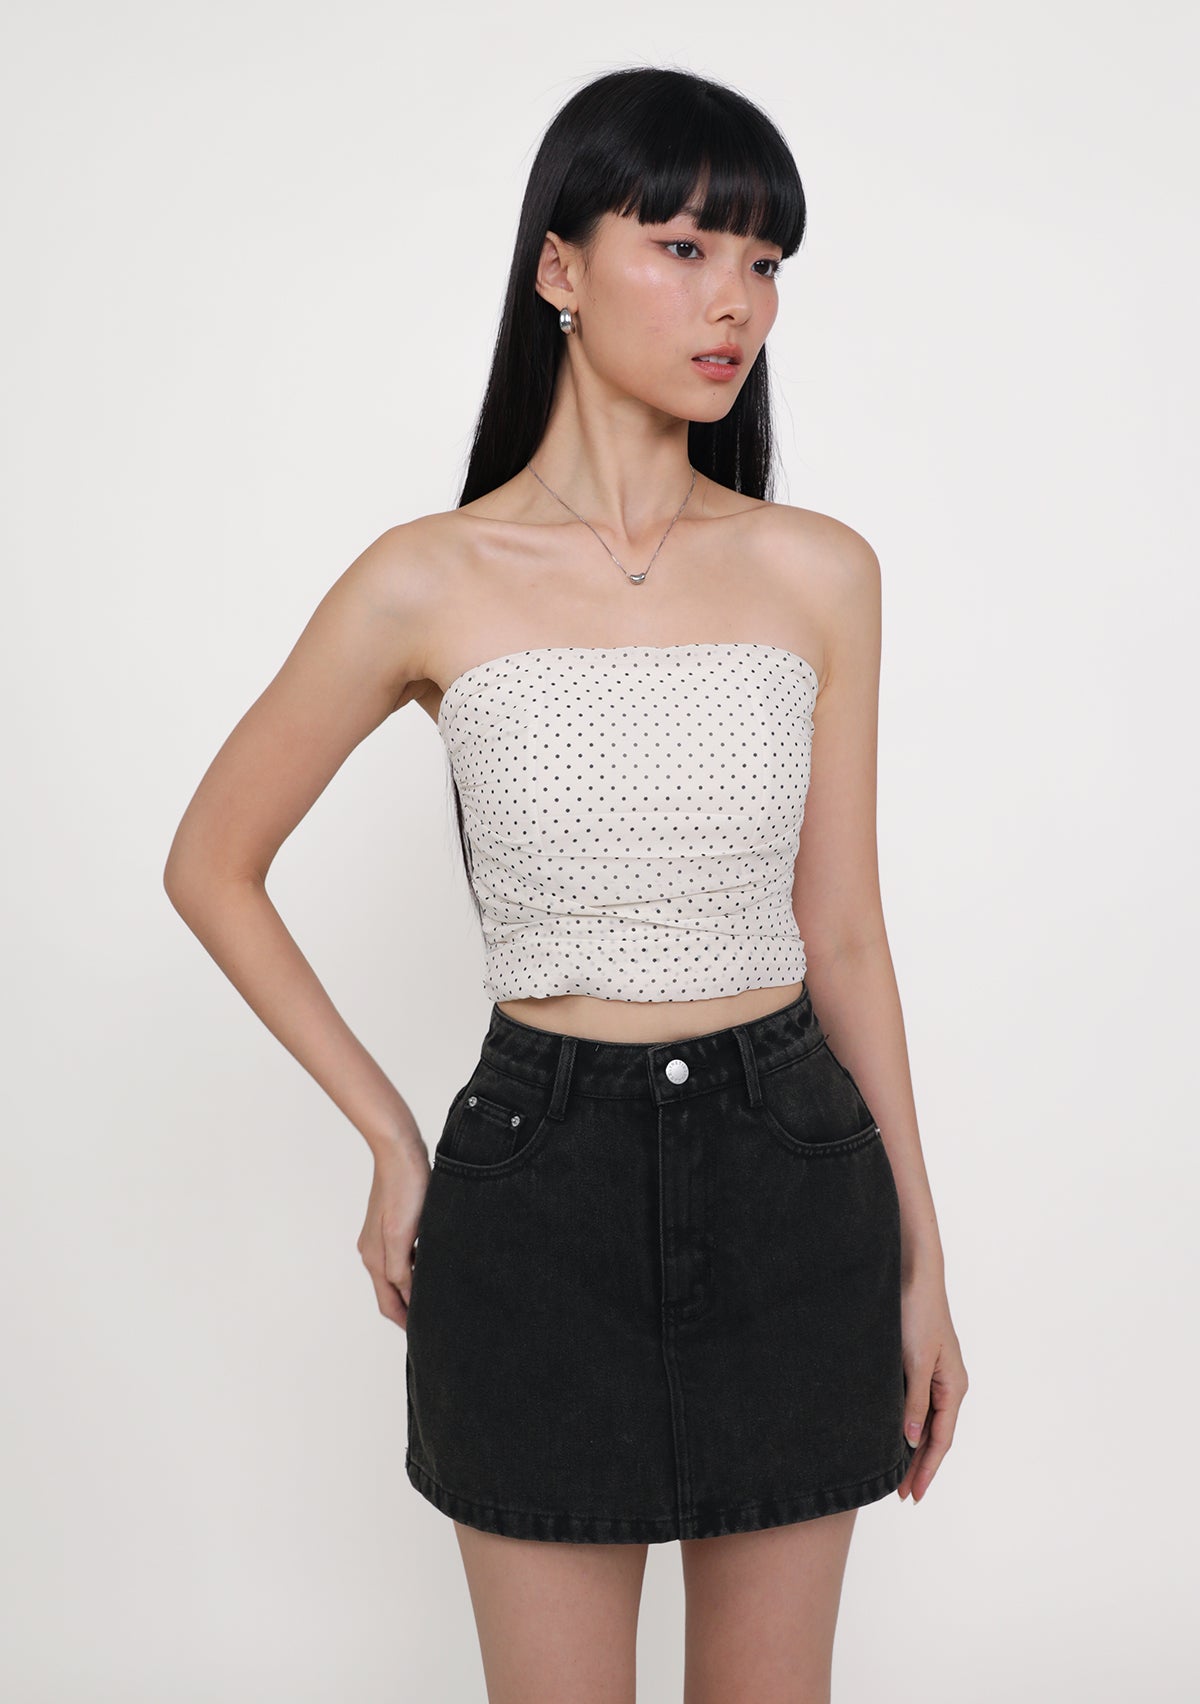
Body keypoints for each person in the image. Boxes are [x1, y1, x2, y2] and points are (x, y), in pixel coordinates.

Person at [164, 64, 968, 1704]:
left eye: (763, 263)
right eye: (683, 246)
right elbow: (213, 863)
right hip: (537, 1195)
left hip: (793, 1175)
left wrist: (922, 1257)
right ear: (559, 266)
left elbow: (846, 936)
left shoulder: (820, 572)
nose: (735, 302)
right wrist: (392, 1140)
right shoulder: (427, 577)